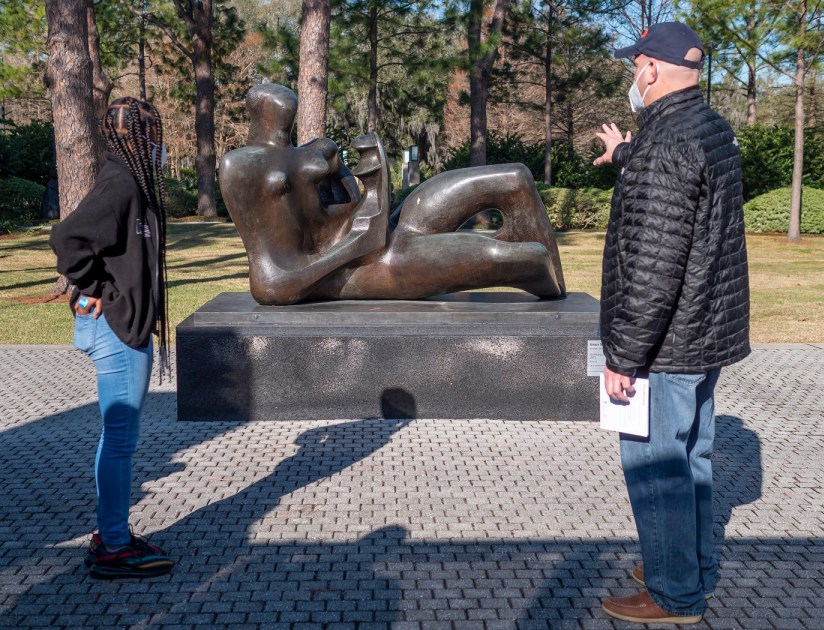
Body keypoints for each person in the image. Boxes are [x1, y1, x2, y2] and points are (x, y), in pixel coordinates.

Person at [592, 22, 750, 624]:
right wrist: (626, 155)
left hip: (665, 345)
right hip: (705, 333)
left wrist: (622, 358)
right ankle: (688, 565)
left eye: (634, 66)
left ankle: (674, 594)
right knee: (694, 460)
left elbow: (653, 268)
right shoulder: (709, 129)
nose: (633, 77)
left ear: (650, 70)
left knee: (657, 470)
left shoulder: (667, 145)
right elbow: (682, 195)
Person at [219, 84, 565, 305]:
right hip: (357, 266)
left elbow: (353, 201)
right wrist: (354, 246)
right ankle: (535, 275)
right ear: (257, 111)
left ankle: (558, 292)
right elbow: (272, 284)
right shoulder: (242, 166)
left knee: (515, 178)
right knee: (528, 258)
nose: (284, 105)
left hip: (385, 229)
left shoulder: (316, 150)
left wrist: (373, 190)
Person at [49, 97, 175, 579]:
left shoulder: (129, 181)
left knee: (119, 437)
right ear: (142, 139)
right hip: (116, 330)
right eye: (156, 134)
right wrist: (99, 289)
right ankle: (114, 545)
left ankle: (112, 532)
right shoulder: (121, 183)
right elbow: (68, 241)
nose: (162, 144)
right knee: (120, 439)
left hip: (120, 325)